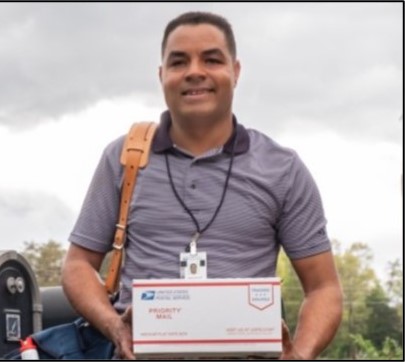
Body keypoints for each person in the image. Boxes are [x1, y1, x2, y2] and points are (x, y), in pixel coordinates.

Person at [61, 11, 343, 360]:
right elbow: (77, 266)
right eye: (179, 62)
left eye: (211, 59)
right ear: (162, 75)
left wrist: (299, 356)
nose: (195, 71)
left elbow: (324, 288)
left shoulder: (282, 168)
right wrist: (115, 327)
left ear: (235, 72)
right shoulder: (124, 158)